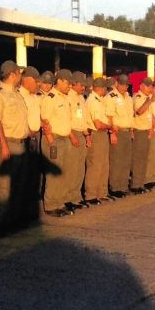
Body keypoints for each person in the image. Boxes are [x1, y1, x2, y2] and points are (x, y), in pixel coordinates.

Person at [0, 60, 30, 231]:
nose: (20, 76)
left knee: (19, 184)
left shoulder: (17, 94)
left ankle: (14, 219)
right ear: (12, 74)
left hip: (21, 143)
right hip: (8, 143)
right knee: (4, 185)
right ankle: (1, 222)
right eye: (19, 73)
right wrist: (3, 146)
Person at [40, 69, 75, 216]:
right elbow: (45, 120)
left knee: (63, 173)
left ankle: (59, 202)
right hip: (54, 139)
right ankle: (50, 205)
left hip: (65, 139)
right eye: (67, 82)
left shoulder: (64, 98)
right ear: (59, 81)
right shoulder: (50, 98)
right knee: (54, 173)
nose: (69, 86)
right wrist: (51, 141)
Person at [18, 66, 43, 224]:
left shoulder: (34, 96)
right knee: (23, 176)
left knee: (33, 175)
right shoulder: (19, 96)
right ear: (26, 80)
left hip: (35, 137)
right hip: (24, 138)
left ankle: (29, 209)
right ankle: (22, 211)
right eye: (36, 80)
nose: (38, 84)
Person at [67, 71, 94, 209]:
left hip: (82, 134)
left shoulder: (81, 98)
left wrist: (87, 136)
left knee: (79, 168)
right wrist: (71, 135)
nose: (83, 87)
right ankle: (69, 198)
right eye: (81, 85)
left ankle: (76, 196)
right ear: (74, 84)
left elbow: (83, 119)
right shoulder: (68, 98)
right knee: (72, 168)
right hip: (72, 134)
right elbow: (67, 120)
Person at [105, 74, 135, 198]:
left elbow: (130, 115)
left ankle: (123, 185)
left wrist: (132, 130)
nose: (125, 86)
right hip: (117, 132)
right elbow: (109, 116)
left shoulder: (128, 97)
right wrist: (112, 133)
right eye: (122, 84)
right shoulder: (111, 97)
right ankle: (114, 187)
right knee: (116, 160)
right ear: (117, 83)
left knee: (126, 160)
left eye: (126, 84)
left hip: (127, 131)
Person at [85, 77, 112, 205]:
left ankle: (101, 193)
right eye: (105, 87)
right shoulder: (93, 101)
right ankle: (91, 195)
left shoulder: (99, 100)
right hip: (97, 134)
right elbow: (98, 124)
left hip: (103, 134)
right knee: (95, 165)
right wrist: (110, 126)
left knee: (104, 165)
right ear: (100, 88)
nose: (106, 90)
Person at [131, 77, 155, 194]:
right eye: (148, 86)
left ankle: (141, 183)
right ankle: (136, 184)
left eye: (151, 86)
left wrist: (151, 128)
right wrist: (150, 101)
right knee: (138, 159)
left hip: (146, 131)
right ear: (141, 86)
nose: (151, 88)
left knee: (144, 159)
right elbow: (140, 111)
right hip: (139, 131)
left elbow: (149, 115)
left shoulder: (147, 98)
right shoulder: (138, 97)